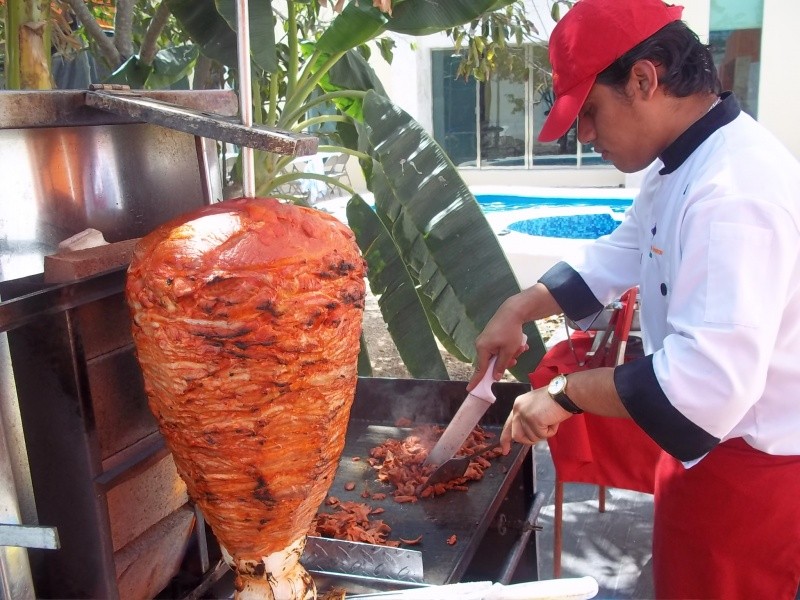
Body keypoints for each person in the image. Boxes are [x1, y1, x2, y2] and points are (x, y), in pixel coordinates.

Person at [468, 0, 800, 598]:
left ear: (645, 79)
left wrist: (565, 394)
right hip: (704, 464)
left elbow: (706, 388)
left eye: (590, 111)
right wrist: (517, 307)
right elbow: (618, 253)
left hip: (756, 479)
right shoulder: (683, 164)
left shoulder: (735, 193)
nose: (584, 134)